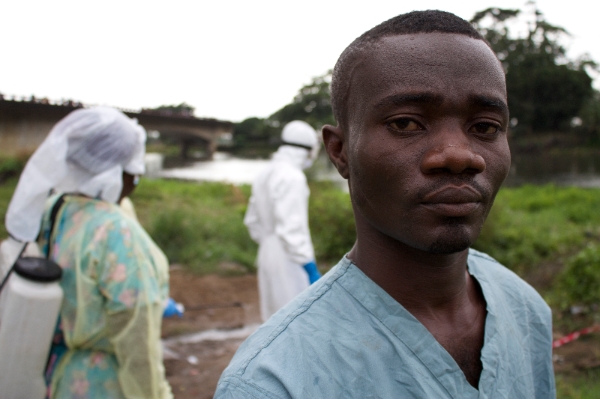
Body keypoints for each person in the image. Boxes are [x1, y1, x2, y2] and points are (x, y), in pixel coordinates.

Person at [216, 10, 555, 398]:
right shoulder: (272, 384)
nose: (460, 155)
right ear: (340, 152)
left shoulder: (525, 311)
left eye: (485, 127)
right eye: (406, 123)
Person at [5, 107, 173, 399]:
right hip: (101, 386)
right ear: (120, 169)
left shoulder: (51, 209)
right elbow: (138, 345)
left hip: (51, 376)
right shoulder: (120, 235)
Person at [244, 120, 322, 322]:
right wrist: (309, 266)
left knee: (273, 319)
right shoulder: (292, 177)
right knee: (297, 319)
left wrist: (268, 243)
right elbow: (291, 230)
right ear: (307, 149)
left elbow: (252, 220)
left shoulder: (266, 172)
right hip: (288, 259)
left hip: (267, 251)